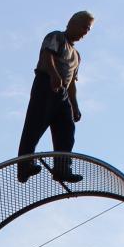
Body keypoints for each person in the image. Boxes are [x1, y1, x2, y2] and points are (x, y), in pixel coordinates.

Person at [17, 10, 95, 184]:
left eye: (88, 29)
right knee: (35, 125)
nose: (85, 32)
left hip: (63, 92)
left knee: (66, 130)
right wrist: (54, 75)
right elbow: (47, 55)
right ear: (72, 23)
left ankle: (62, 168)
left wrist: (74, 105)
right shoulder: (56, 37)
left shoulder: (77, 55)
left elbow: (72, 82)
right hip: (46, 84)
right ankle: (25, 165)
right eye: (84, 27)